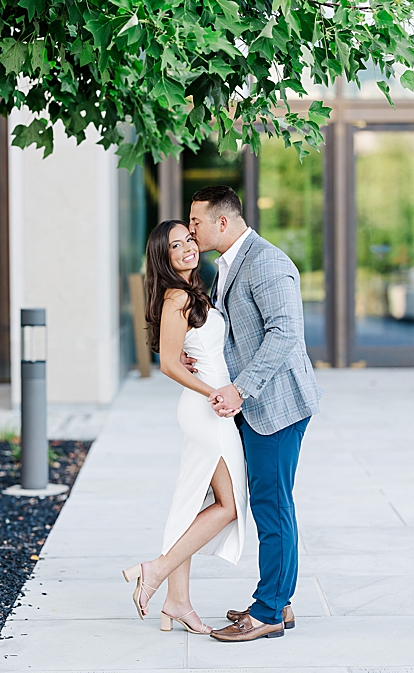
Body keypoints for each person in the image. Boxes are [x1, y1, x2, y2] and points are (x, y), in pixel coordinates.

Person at [187, 186, 322, 642]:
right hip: (254, 404)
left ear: (222, 222)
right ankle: (277, 603)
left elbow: (284, 334)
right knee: (267, 504)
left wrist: (240, 390)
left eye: (196, 222)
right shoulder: (228, 263)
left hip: (277, 406)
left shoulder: (267, 262)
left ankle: (267, 612)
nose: (191, 231)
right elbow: (235, 334)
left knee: (273, 507)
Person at [123, 219, 248, 635]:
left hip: (209, 404)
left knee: (192, 501)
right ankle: (155, 571)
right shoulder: (177, 295)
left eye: (189, 239)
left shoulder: (193, 291)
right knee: (228, 505)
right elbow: (169, 364)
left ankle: (176, 601)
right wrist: (213, 391)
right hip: (205, 409)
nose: (188, 248)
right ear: (165, 257)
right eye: (176, 246)